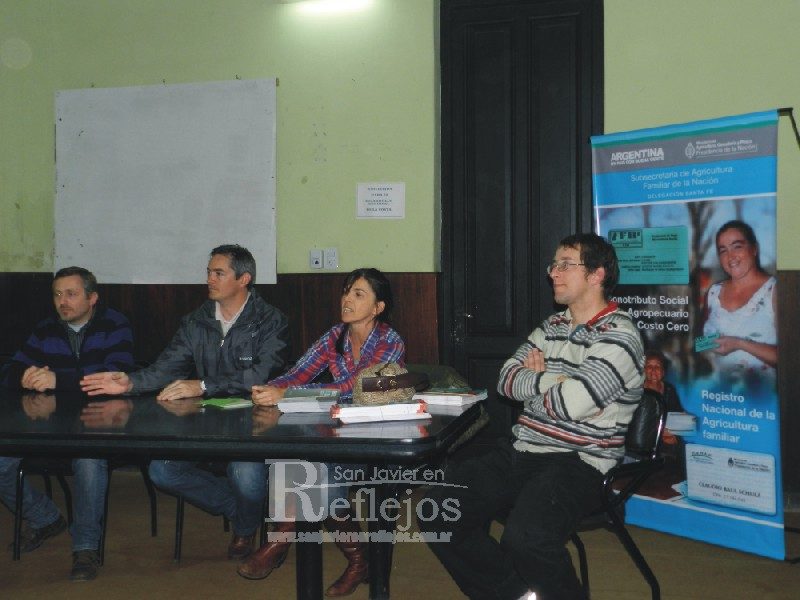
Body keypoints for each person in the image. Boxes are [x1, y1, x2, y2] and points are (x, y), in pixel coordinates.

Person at [422, 233, 644, 600]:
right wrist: (554, 382)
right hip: (524, 449)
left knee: (526, 539)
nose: (553, 273)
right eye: (553, 265)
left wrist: (537, 388)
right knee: (437, 512)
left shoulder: (620, 336)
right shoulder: (551, 326)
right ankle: (518, 595)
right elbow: (506, 381)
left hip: (581, 461)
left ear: (596, 274)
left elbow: (572, 404)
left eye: (565, 265)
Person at [80, 244, 288, 561]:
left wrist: (203, 385)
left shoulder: (271, 320)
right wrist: (130, 382)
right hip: (205, 422)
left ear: (243, 279)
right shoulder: (196, 320)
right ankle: (244, 512)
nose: (209, 279)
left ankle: (245, 528)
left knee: (246, 475)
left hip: (254, 422)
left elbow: (259, 376)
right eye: (209, 272)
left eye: (218, 273)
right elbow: (167, 367)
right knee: (162, 471)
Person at [237, 268, 404, 597]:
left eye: (358, 294)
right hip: (333, 435)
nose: (347, 299)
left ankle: (281, 540)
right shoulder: (335, 336)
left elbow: (357, 388)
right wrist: (270, 388)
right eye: (346, 291)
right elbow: (299, 373)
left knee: (315, 479)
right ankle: (359, 560)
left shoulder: (390, 342)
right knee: (298, 466)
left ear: (378, 307)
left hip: (371, 442)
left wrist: (289, 394)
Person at [0, 266, 134, 581]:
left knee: (88, 461)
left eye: (71, 294)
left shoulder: (114, 325)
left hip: (100, 421)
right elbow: (9, 369)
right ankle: (45, 517)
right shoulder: (46, 329)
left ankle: (85, 547)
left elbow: (115, 376)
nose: (63, 302)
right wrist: (24, 375)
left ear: (92, 298)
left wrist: (57, 380)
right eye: (58, 295)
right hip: (47, 422)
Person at [703, 219, 777, 387]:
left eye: (737, 246)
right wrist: (711, 343)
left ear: (754, 249)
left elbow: (790, 356)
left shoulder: (774, 291)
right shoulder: (713, 293)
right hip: (719, 393)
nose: (730, 256)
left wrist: (739, 343)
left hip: (763, 396)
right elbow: (700, 343)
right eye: (723, 250)